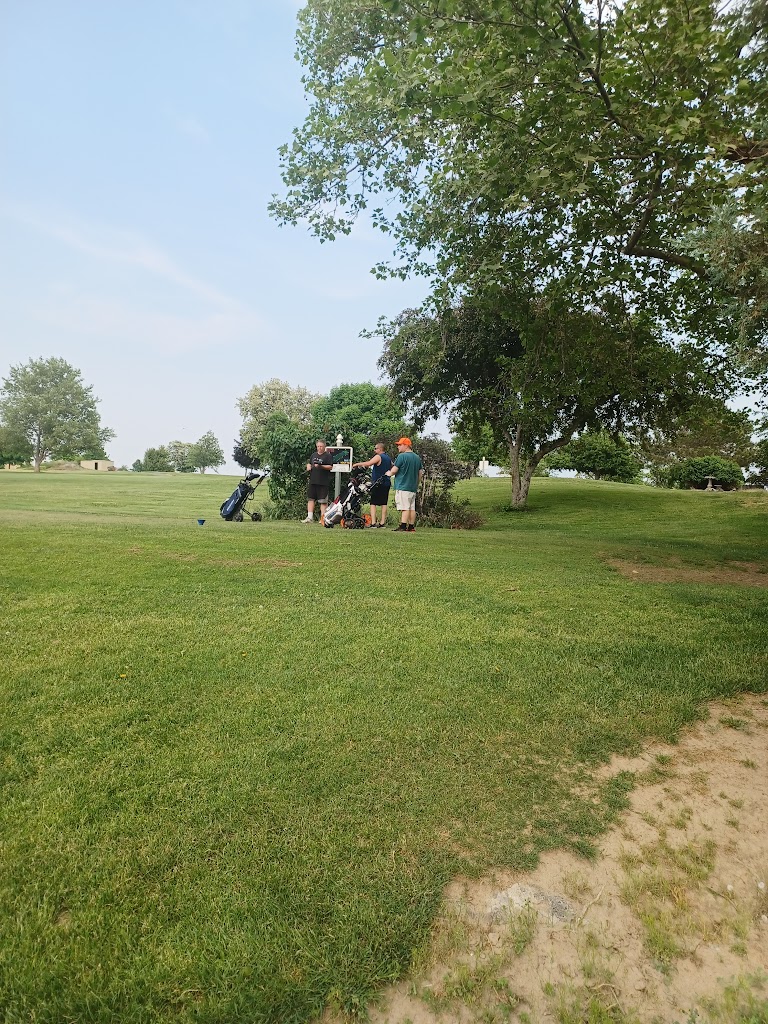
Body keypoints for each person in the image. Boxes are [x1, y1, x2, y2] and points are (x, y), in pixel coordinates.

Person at [385, 437, 424, 532]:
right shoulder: (417, 457)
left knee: (405, 507)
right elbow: (420, 473)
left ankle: (403, 526)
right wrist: (416, 483)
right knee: (412, 507)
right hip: (412, 487)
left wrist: (388, 473)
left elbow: (394, 470)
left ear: (406, 445)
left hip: (403, 485)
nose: (398, 447)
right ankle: (411, 526)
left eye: (400, 445)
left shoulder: (402, 456)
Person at [352, 442, 392, 527]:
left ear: (380, 449)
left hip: (378, 482)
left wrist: (357, 464)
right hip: (386, 482)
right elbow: (392, 466)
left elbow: (369, 463)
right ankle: (382, 522)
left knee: (373, 503)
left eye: (375, 448)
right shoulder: (388, 458)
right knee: (384, 503)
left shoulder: (378, 456)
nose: (374, 450)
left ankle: (373, 522)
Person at [302, 439, 333, 522]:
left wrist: (321, 466)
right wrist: (308, 466)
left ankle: (323, 518)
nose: (319, 448)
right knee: (310, 499)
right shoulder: (313, 455)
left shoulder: (328, 456)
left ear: (324, 447)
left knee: (323, 501)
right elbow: (309, 463)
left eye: (321, 446)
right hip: (313, 480)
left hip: (323, 482)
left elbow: (330, 467)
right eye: (318, 446)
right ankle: (309, 517)